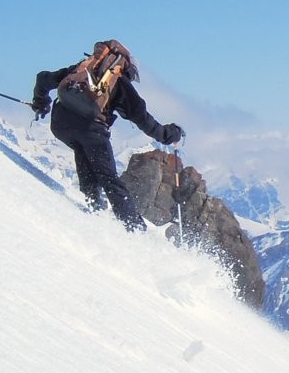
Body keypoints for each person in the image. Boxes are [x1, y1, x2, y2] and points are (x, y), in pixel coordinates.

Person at [30, 39, 184, 231]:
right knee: (109, 178)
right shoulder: (119, 82)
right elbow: (143, 120)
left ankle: (94, 210)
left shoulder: (81, 70)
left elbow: (43, 79)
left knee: (83, 154)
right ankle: (135, 230)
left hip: (61, 124)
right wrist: (170, 134)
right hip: (91, 131)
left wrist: (40, 103)